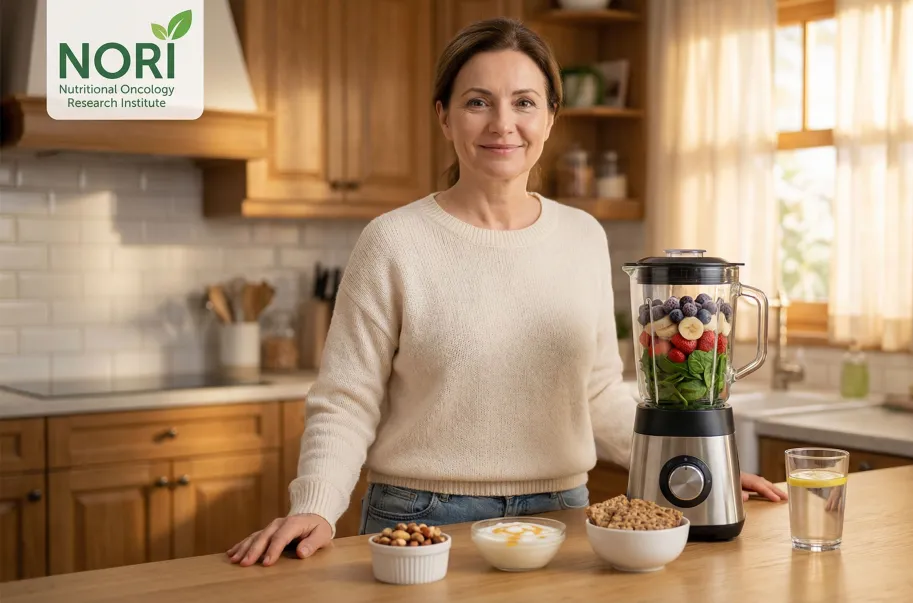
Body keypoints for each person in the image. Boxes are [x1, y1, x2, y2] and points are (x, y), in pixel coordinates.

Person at [227, 17, 786, 569]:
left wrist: (690, 461)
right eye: (477, 102)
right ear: (444, 117)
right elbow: (348, 398)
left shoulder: (584, 236)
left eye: (523, 102)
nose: (502, 123)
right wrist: (318, 506)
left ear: (549, 118)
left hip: (563, 514)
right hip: (420, 519)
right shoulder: (393, 241)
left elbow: (595, 392)